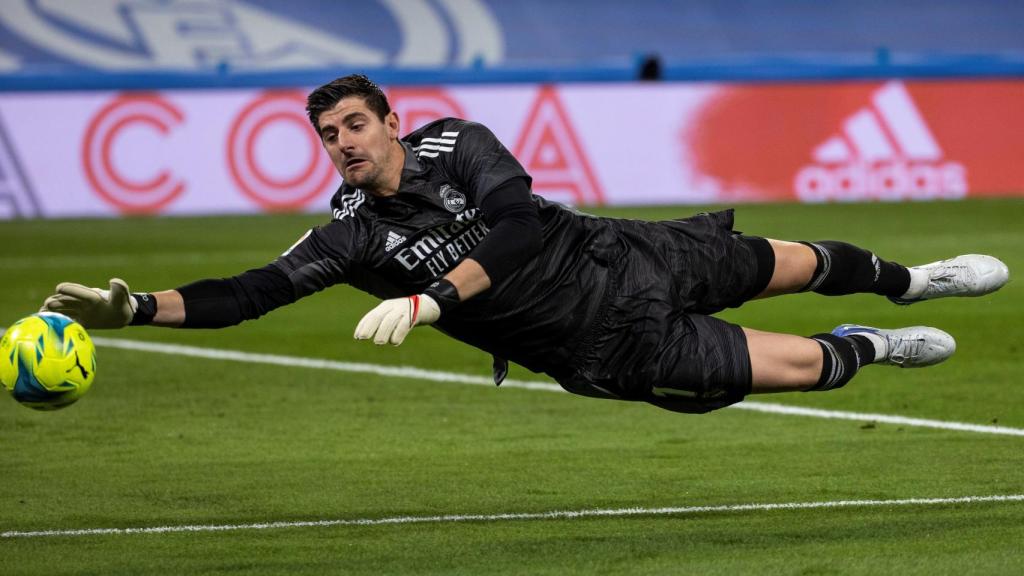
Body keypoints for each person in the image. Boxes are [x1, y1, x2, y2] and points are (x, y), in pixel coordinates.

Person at [41, 75, 1010, 414]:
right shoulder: (347, 238)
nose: (341, 144)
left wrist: (430, 300)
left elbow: (510, 223)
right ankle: (871, 346)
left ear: (389, 119)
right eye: (326, 135)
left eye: (353, 125)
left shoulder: (457, 143)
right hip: (600, 344)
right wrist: (133, 309)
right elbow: (245, 291)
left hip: (622, 257)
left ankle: (912, 283)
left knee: (789, 259)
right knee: (803, 367)